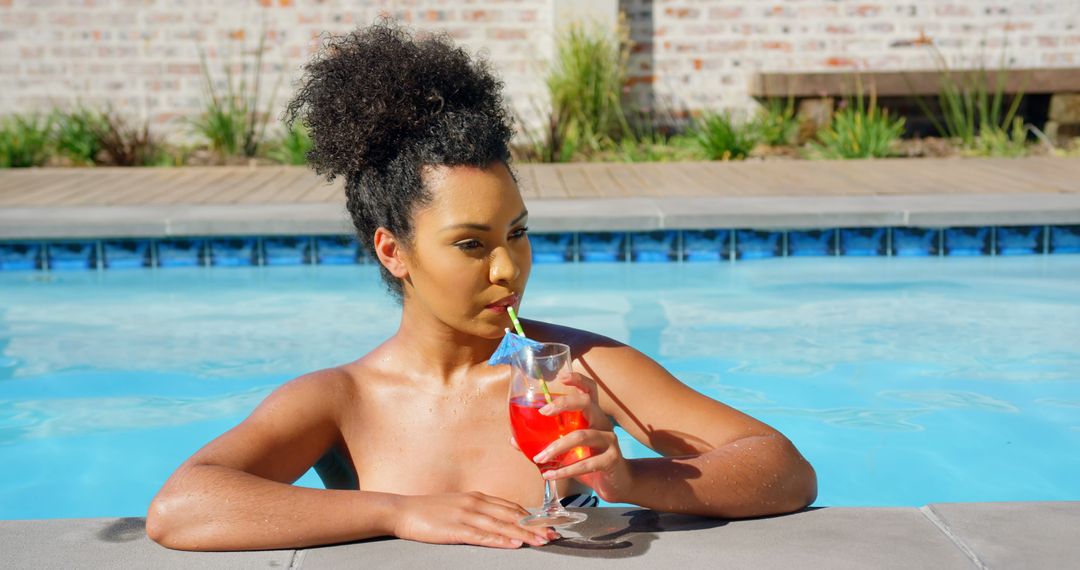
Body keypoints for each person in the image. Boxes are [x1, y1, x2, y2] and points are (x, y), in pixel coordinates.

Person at [146, 21, 816, 551]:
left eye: (516, 233)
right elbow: (182, 507)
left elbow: (784, 470)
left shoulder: (578, 372)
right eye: (471, 244)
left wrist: (631, 478)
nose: (508, 269)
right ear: (393, 251)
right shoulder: (342, 402)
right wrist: (400, 513)